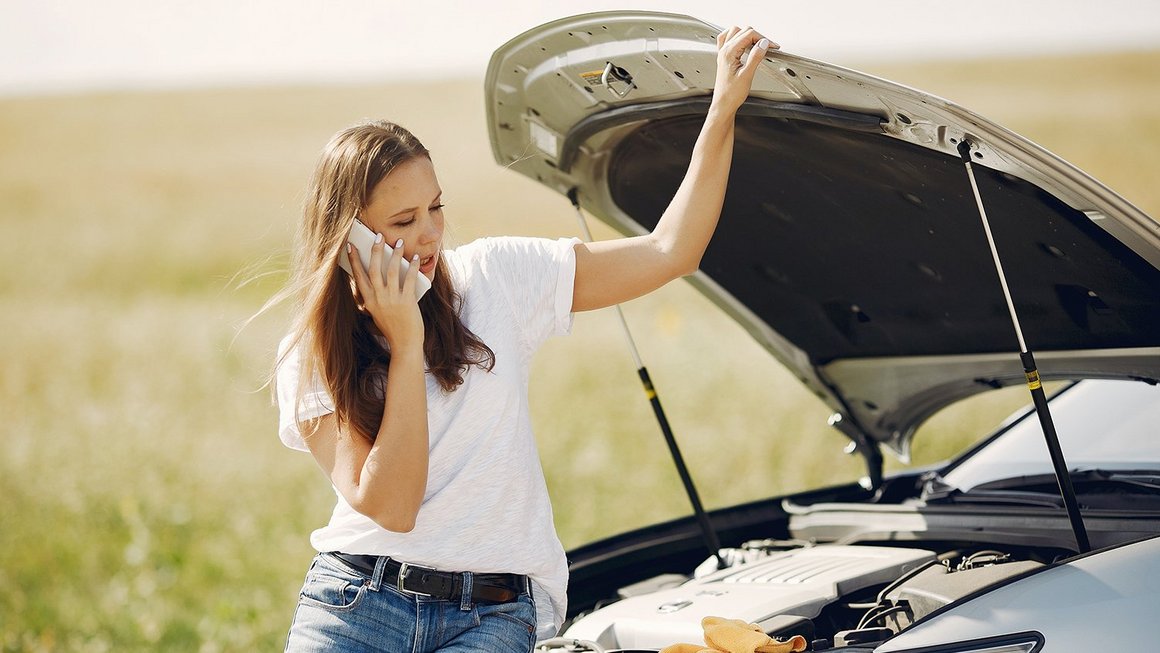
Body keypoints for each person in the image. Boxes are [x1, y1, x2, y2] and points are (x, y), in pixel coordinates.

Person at [274, 25, 775, 653]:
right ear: (351, 241)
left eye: (436, 207)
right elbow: (393, 507)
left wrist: (721, 109)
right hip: (356, 604)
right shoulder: (309, 354)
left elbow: (669, 251)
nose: (430, 234)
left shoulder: (497, 278)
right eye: (403, 220)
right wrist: (407, 343)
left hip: (493, 614)